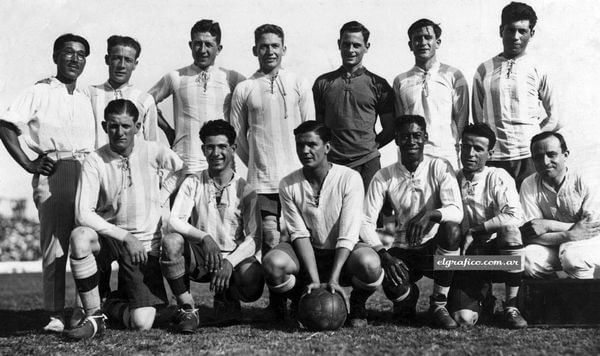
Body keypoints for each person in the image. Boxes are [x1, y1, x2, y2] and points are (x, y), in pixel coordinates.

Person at [64, 99, 183, 340]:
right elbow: (82, 213)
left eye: (126, 126)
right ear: (104, 125)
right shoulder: (95, 160)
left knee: (141, 323)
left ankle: (111, 305)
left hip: (144, 243)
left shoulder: (153, 150)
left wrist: (161, 197)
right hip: (111, 238)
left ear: (138, 126)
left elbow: (181, 169)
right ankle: (94, 315)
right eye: (113, 126)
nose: (120, 132)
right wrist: (124, 237)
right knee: (80, 236)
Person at [0, 33, 96, 332]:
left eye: (81, 54)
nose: (75, 59)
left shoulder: (84, 96)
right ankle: (55, 314)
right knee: (55, 246)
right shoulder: (39, 91)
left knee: (87, 238)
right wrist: (29, 162)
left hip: (87, 170)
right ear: (55, 56)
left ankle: (84, 310)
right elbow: (6, 125)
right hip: (54, 170)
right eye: (68, 52)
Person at [262, 121, 383, 327]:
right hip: (309, 255)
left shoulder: (349, 178)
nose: (305, 150)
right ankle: (300, 297)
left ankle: (358, 303)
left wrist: (334, 278)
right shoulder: (288, 183)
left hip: (343, 255)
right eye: (300, 145)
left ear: (327, 147)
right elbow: (299, 234)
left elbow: (348, 233)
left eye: (311, 144)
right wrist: (315, 281)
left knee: (370, 263)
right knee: (273, 263)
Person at [160, 120, 263, 333]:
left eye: (222, 147)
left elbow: (255, 237)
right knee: (171, 242)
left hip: (231, 260)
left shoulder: (245, 188)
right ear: (203, 150)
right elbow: (175, 220)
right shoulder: (193, 182)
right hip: (203, 258)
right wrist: (204, 237)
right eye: (210, 147)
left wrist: (230, 262)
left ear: (233, 149)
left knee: (251, 278)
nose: (216, 153)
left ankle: (228, 297)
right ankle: (186, 307)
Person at [361, 115, 463, 329]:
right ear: (396, 140)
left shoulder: (440, 167)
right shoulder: (384, 176)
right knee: (397, 295)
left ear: (425, 137)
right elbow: (365, 221)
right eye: (404, 137)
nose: (411, 141)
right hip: (404, 249)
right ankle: (409, 297)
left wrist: (429, 215)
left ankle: (439, 303)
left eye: (417, 135)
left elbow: (456, 211)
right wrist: (384, 255)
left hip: (434, 248)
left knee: (452, 230)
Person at [230, 23, 314, 255]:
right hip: (262, 180)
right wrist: (258, 162)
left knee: (301, 237)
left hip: (297, 177)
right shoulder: (244, 88)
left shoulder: (299, 83)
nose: (270, 51)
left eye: (275, 46)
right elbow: (237, 136)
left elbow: (310, 129)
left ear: (284, 49)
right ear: (255, 50)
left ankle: (307, 290)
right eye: (264, 47)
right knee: (270, 238)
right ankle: (278, 293)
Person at [472, 1, 561, 189]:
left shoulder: (538, 68)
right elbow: (478, 118)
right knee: (498, 212)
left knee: (530, 212)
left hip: (528, 158)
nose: (515, 37)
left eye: (522, 31)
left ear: (532, 33)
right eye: (510, 30)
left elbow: (556, 117)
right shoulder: (483, 69)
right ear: (500, 31)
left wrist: (534, 137)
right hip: (494, 157)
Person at [447, 123, 527, 329]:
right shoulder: (452, 178)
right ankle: (484, 300)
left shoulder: (497, 176)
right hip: (467, 258)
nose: (470, 153)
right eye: (465, 146)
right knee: (463, 320)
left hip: (498, 256)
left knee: (510, 232)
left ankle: (511, 305)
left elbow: (514, 216)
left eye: (478, 149)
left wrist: (476, 229)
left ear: (490, 153)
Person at [149, 19, 245, 177]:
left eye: (208, 44)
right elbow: (145, 102)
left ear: (219, 48)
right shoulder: (175, 77)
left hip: (221, 165)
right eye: (197, 44)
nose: (202, 50)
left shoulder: (231, 77)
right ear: (190, 45)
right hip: (185, 163)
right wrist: (168, 131)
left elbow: (255, 96)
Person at [312, 21, 395, 191]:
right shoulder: (323, 83)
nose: (351, 50)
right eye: (346, 44)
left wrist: (370, 146)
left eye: (356, 45)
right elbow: (318, 127)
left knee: (368, 216)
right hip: (332, 163)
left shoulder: (378, 84)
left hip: (367, 163)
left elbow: (391, 128)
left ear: (367, 47)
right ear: (339, 45)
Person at [520, 132, 600, 279]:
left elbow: (592, 228)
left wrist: (547, 225)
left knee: (572, 257)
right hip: (554, 243)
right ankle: (552, 297)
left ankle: (584, 299)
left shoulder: (585, 178)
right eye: (538, 157)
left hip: (590, 242)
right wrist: (567, 234)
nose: (545, 162)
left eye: (551, 154)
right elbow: (531, 233)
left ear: (566, 154)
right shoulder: (529, 183)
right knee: (527, 259)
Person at [393, 19, 468, 171]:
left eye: (428, 38)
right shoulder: (400, 81)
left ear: (437, 42)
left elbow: (462, 120)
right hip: (412, 154)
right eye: (417, 39)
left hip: (446, 154)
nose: (422, 42)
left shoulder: (454, 75)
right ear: (410, 45)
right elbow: (400, 122)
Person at [87, 35, 158, 148]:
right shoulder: (89, 94)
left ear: (135, 64)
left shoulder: (145, 99)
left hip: (134, 164)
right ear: (107, 59)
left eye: (128, 60)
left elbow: (153, 144)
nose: (122, 65)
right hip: (98, 163)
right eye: (116, 58)